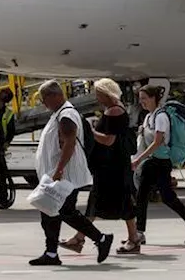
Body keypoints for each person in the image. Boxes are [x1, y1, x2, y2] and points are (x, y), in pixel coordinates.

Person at [30, 80, 113, 267]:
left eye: (45, 99)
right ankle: (51, 253)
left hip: (65, 175)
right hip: (56, 174)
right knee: (50, 212)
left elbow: (69, 143)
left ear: (55, 96)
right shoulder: (59, 114)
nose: (44, 104)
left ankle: (101, 239)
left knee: (64, 211)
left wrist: (59, 170)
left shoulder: (66, 115)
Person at [60, 79, 139, 256]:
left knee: (102, 200)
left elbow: (109, 140)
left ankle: (80, 238)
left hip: (112, 166)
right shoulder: (116, 108)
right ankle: (132, 238)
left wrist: (89, 130)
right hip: (113, 165)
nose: (97, 97)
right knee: (110, 200)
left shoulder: (114, 111)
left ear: (106, 93)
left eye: (98, 94)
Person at [131, 85, 185, 245]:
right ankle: (139, 232)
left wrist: (138, 159)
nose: (141, 101)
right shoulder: (149, 116)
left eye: (144, 98)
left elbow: (158, 142)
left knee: (163, 197)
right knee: (145, 195)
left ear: (153, 98)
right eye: (140, 98)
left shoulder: (161, 117)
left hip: (161, 162)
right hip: (153, 162)